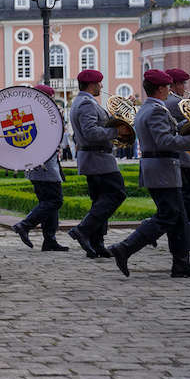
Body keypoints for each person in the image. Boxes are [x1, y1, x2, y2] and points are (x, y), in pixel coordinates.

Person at [108, 70, 190, 278]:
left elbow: (166, 133)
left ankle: (181, 264)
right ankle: (125, 247)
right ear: (160, 89)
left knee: (178, 218)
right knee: (168, 215)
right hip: (163, 169)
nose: (170, 90)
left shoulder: (149, 108)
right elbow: (165, 141)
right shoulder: (156, 111)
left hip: (160, 168)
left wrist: (186, 126)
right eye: (168, 86)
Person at [67, 69, 128, 258]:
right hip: (98, 159)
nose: (102, 86)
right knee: (117, 194)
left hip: (94, 159)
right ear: (92, 84)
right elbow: (91, 132)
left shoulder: (82, 102)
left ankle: (96, 242)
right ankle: (83, 230)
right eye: (99, 83)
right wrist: (116, 132)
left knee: (99, 201)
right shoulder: (87, 104)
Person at [12, 84, 69, 252]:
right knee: (54, 200)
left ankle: (49, 240)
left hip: (37, 165)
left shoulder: (29, 114)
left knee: (47, 202)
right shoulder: (43, 115)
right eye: (50, 98)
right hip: (44, 166)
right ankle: (25, 225)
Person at [164, 68, 190, 221]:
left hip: (178, 157)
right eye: (183, 83)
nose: (185, 87)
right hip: (185, 157)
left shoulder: (168, 101)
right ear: (174, 85)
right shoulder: (177, 102)